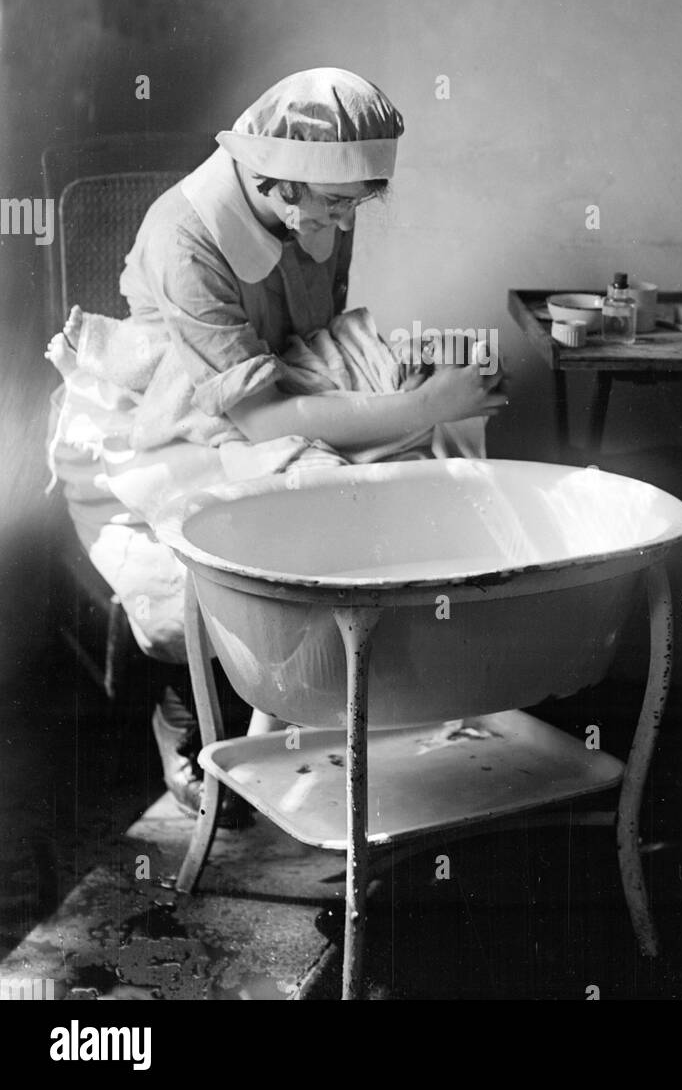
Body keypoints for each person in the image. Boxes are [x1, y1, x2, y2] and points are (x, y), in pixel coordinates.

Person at [46, 69, 507, 817]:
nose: (345, 221)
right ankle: (195, 714)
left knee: (429, 477)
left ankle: (345, 720)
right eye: (335, 203)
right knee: (276, 545)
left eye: (356, 203)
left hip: (281, 384)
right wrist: (416, 403)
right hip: (175, 418)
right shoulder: (185, 239)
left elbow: (311, 338)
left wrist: (408, 393)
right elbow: (260, 420)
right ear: (276, 181)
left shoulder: (319, 210)